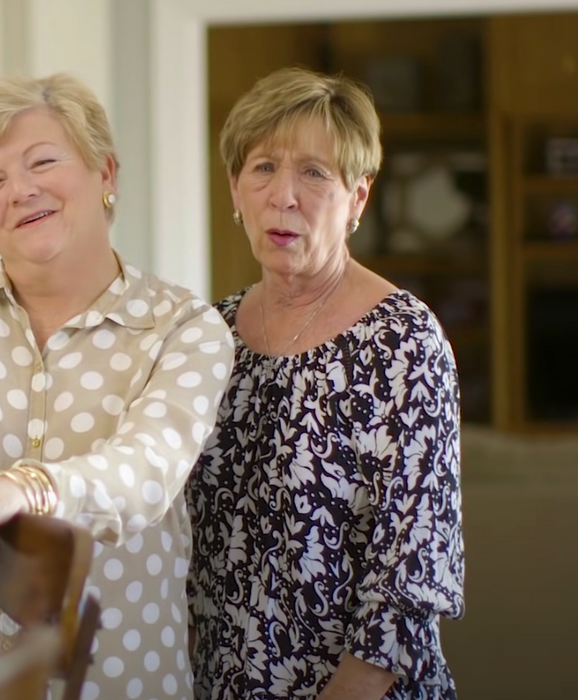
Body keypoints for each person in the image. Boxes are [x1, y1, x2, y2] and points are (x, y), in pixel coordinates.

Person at [0, 73, 234, 700]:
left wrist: (20, 489)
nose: (20, 191)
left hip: (120, 681)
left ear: (105, 174)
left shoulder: (183, 327)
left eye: (42, 162)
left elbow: (145, 473)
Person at [186, 66, 466, 700]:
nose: (284, 195)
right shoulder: (207, 335)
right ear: (235, 187)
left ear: (357, 199)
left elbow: (410, 582)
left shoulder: (405, 341)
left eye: (314, 173)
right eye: (262, 168)